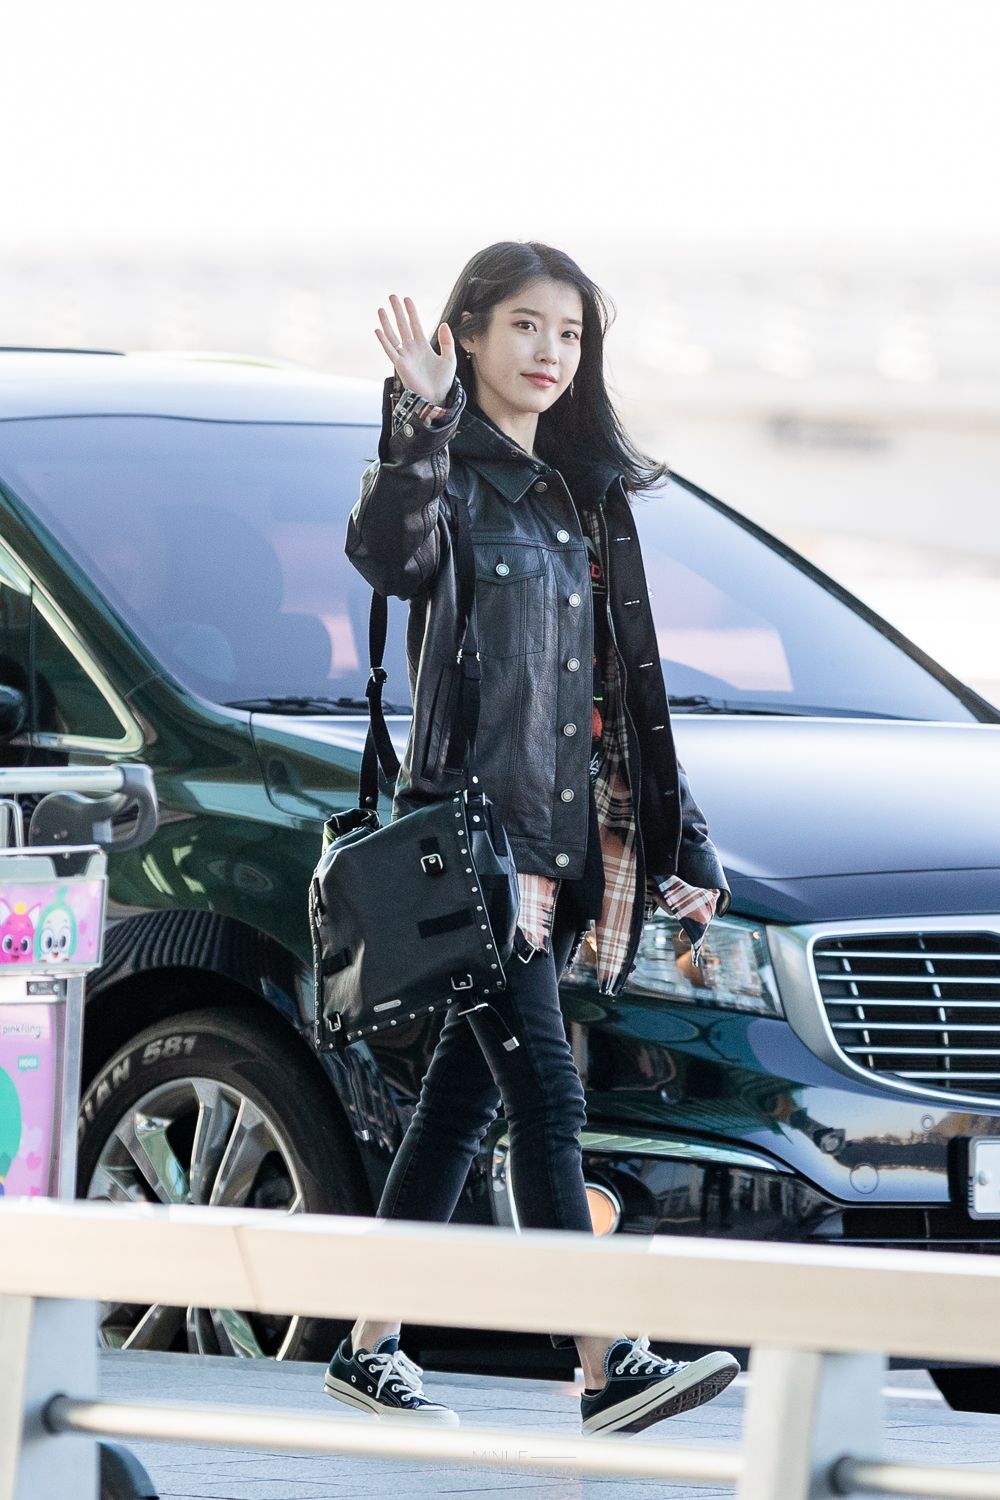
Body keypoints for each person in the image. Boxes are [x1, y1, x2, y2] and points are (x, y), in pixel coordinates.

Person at [325, 242, 739, 1435]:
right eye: (524, 325)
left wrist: (685, 847)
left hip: (566, 860)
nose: (550, 351)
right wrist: (419, 420)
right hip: (478, 857)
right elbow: (388, 555)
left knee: (462, 1105)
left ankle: (367, 1345)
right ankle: (604, 1364)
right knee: (549, 1101)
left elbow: (625, 699)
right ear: (465, 334)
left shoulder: (587, 502)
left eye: (569, 333)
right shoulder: (446, 479)